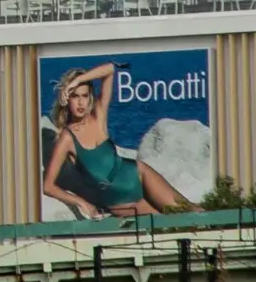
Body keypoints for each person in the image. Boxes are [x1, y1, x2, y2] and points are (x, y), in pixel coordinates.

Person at [42, 62, 191, 217]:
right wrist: (81, 202)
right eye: (75, 96)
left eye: (85, 96)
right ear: (67, 99)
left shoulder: (98, 116)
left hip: (138, 174)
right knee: (167, 224)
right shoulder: (67, 138)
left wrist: (77, 81)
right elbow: (48, 186)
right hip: (119, 200)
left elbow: (110, 69)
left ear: (90, 97)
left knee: (189, 212)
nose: (81, 102)